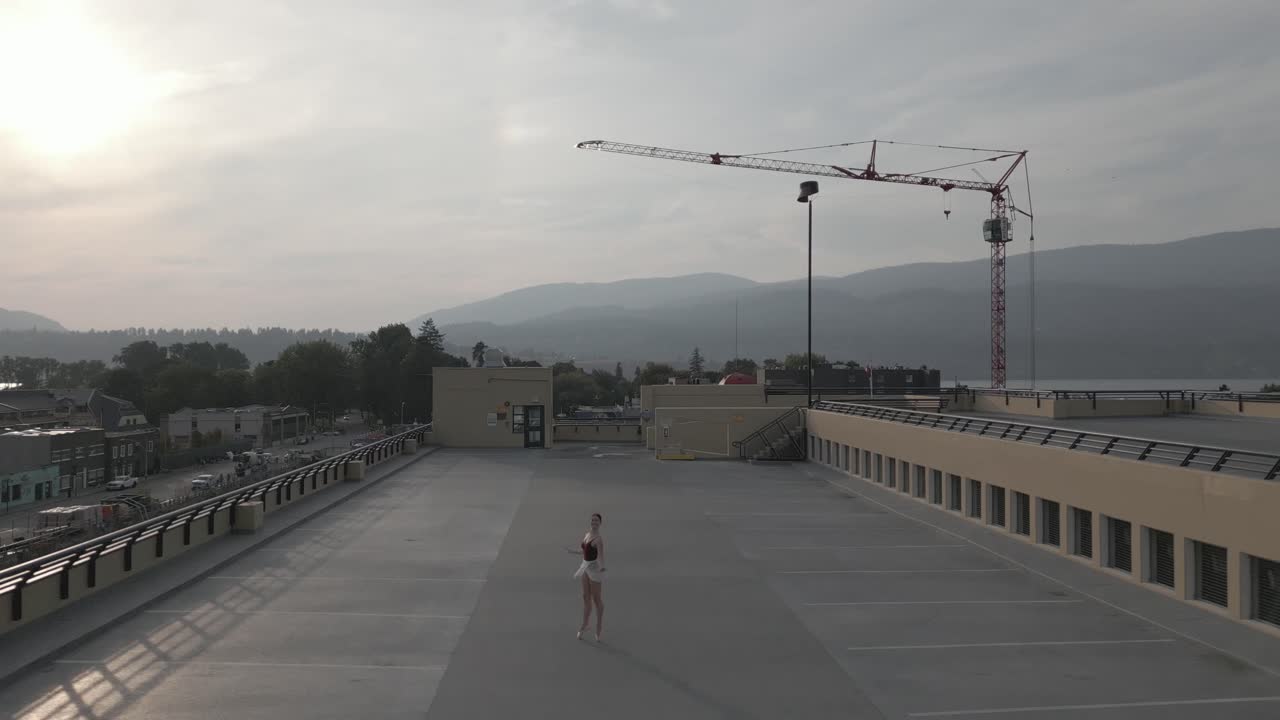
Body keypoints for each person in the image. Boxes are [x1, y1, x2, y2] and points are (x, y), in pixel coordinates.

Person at [570, 512, 605, 641]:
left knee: (597, 600)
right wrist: (573, 551)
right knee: (585, 596)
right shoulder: (587, 534)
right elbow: (584, 550)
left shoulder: (599, 539)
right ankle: (585, 624)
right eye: (592, 520)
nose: (594, 522)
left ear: (600, 523)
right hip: (585, 567)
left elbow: (601, 555)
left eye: (596, 521)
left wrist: (602, 567)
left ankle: (599, 626)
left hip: (595, 570)